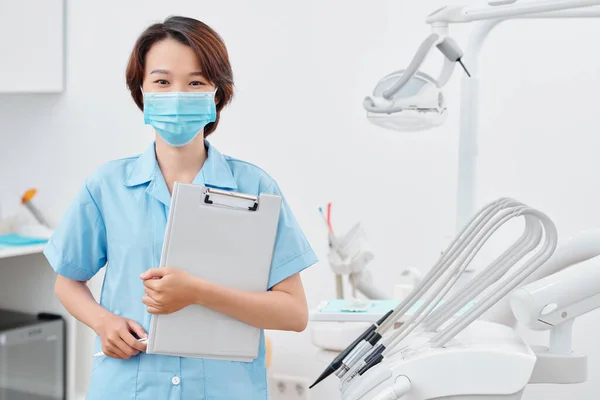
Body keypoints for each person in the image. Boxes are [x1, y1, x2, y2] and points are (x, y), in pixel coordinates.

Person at [44, 16, 318, 400]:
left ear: (217, 94)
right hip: (129, 387)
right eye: (161, 81)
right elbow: (67, 280)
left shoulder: (255, 188)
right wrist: (103, 323)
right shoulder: (106, 187)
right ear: (141, 92)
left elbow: (294, 314)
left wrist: (199, 292)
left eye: (195, 82)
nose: (177, 94)